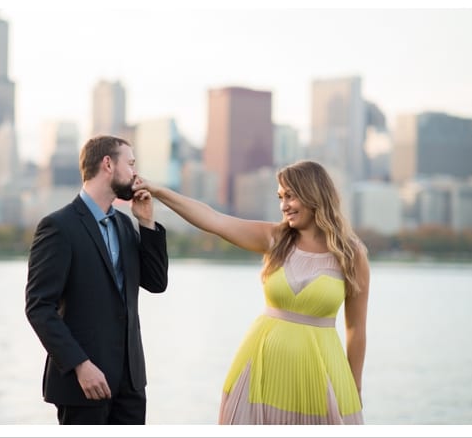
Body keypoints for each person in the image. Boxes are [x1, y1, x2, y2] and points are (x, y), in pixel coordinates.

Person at [134, 159, 369, 425]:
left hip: (322, 373)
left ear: (313, 194)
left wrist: (355, 387)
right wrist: (159, 191)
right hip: (262, 368)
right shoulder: (275, 238)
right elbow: (214, 220)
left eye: (291, 196)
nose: (284, 206)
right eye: (281, 197)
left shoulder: (351, 254)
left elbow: (356, 330)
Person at [25, 135, 169, 425]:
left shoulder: (126, 225)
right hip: (83, 385)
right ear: (107, 164)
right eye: (130, 164)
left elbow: (156, 282)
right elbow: (39, 307)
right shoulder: (58, 227)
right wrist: (80, 365)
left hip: (130, 384)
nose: (135, 174)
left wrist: (147, 223)